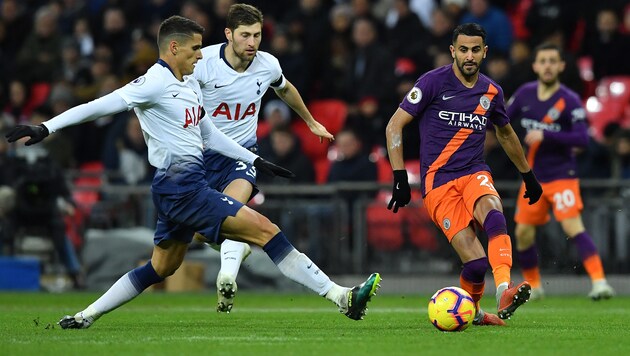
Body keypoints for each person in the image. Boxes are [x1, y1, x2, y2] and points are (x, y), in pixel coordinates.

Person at [5, 15, 380, 329]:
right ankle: (341, 296)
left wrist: (254, 161)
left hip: (182, 186)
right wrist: (46, 127)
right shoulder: (153, 82)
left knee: (161, 266)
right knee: (266, 231)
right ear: (173, 48)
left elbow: (208, 133)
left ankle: (84, 316)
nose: (201, 55)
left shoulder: (187, 84)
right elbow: (98, 105)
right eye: (195, 48)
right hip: (181, 187)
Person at [385, 23, 542, 326]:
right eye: (463, 49)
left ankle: (504, 290)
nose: (469, 56)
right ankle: (477, 312)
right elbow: (394, 125)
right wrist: (400, 176)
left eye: (475, 50)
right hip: (438, 183)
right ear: (453, 51)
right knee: (475, 263)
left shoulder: (492, 91)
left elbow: (506, 134)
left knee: (494, 214)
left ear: (485, 52)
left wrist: (528, 175)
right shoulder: (432, 83)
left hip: (474, 171)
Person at [190, 4, 334, 313]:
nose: (252, 42)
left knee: (232, 211)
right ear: (229, 34)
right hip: (201, 158)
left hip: (242, 156)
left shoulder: (267, 64)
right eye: (245, 35)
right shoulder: (203, 63)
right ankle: (238, 248)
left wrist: (309, 121)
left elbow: (284, 88)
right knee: (204, 231)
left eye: (257, 35)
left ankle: (227, 276)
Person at [507, 43, 615, 301]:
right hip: (533, 178)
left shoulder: (569, 99)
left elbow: (582, 139)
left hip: (562, 175)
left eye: (552, 61)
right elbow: (501, 120)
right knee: (522, 233)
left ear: (561, 66)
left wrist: (546, 135)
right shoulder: (523, 95)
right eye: (542, 60)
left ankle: (600, 283)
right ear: (535, 66)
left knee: (572, 225)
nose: (547, 65)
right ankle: (534, 286)